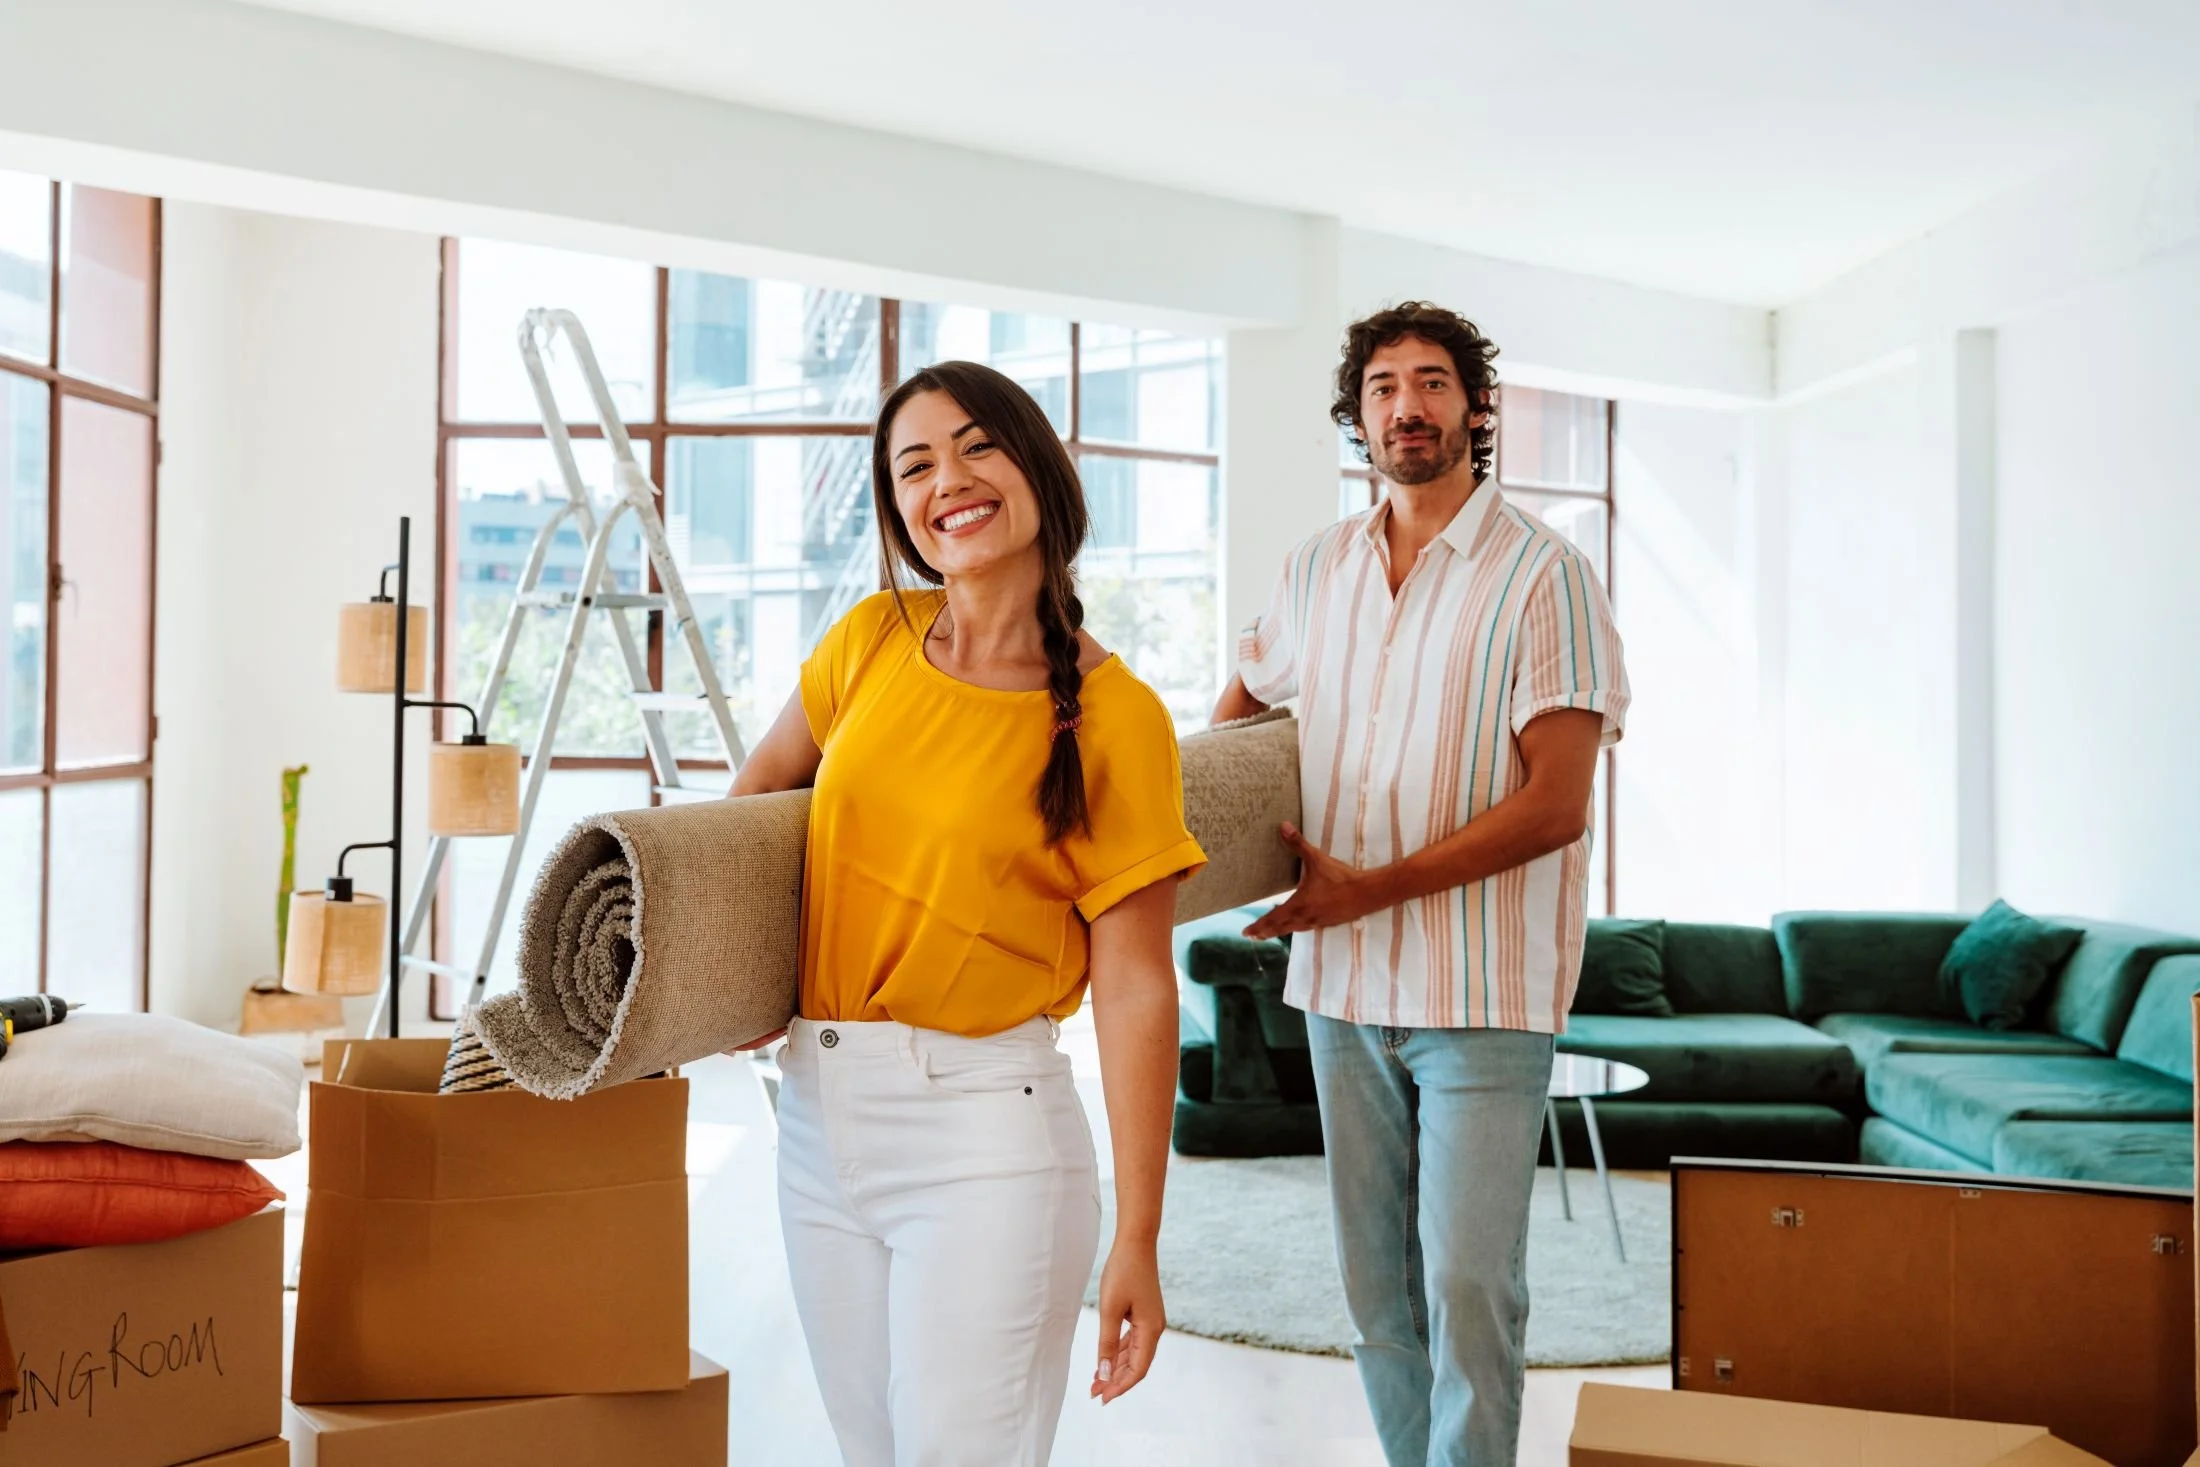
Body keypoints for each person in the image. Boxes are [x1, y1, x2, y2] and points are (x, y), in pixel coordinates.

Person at [729, 360, 1202, 1467]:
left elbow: (1135, 984)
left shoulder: (1116, 718)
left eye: (977, 445)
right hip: (814, 1111)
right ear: (899, 508)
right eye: (914, 464)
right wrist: (730, 989)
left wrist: (1139, 1235)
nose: (948, 478)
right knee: (871, 1453)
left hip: (987, 1135)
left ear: (1034, 465)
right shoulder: (869, 640)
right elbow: (752, 815)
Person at [1212, 303, 1629, 1466]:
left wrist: (1373, 888)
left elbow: (1557, 802)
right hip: (1340, 987)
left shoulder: (1545, 574)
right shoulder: (1314, 567)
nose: (1408, 404)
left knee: (1465, 1288)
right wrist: (1232, 831)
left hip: (1482, 992)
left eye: (1434, 382)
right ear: (1357, 414)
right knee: (1375, 1292)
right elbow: (1242, 702)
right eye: (1385, 385)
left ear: (1474, 409)